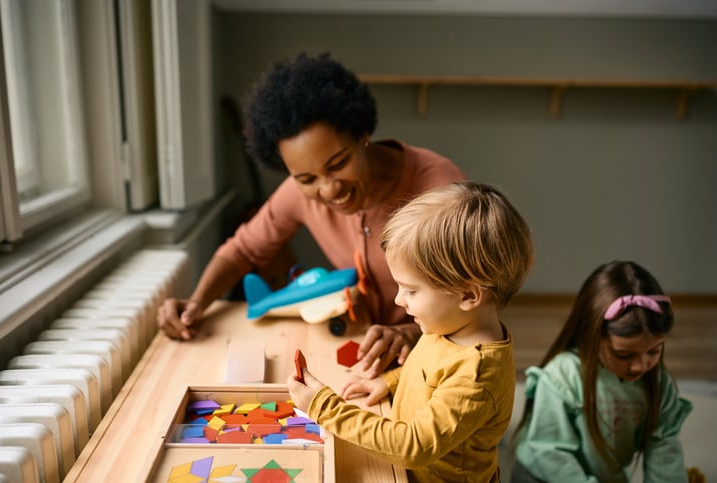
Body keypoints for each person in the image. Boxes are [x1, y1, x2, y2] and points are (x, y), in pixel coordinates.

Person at [156, 52, 466, 376]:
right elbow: (243, 250)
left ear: (362, 134)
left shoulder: (439, 188)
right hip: (365, 355)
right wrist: (196, 303)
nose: (329, 190)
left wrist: (411, 333)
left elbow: (473, 302)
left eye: (338, 164)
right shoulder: (297, 193)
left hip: (435, 360)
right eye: (307, 179)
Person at [287, 182, 534, 482]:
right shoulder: (449, 325)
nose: (398, 300)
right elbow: (428, 372)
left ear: (468, 296)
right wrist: (390, 382)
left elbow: (413, 446)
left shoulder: (476, 377)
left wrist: (323, 407)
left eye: (412, 290)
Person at [510, 260, 693, 483]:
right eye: (624, 355)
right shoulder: (561, 376)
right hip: (542, 475)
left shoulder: (657, 382)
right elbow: (550, 453)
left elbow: (664, 449)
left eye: (654, 351)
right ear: (592, 336)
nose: (641, 366)